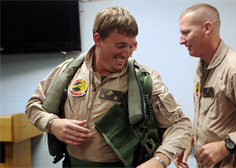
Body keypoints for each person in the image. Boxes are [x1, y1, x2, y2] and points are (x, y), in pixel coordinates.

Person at [25, 6, 192, 168]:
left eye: (132, 45)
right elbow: (32, 106)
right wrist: (52, 124)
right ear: (98, 40)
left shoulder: (144, 80)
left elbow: (181, 124)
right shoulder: (68, 72)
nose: (127, 54)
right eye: (120, 46)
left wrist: (159, 160)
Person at [175, 3, 236, 168]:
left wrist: (226, 146)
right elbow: (213, 117)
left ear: (207, 28)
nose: (181, 41)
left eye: (186, 33)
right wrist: (191, 138)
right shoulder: (203, 67)